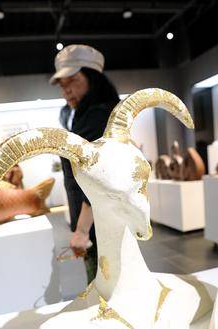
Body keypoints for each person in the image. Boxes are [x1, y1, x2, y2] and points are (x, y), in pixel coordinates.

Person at [49, 44, 120, 283]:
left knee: (105, 286)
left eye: (72, 81)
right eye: (62, 85)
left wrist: (81, 230)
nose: (66, 91)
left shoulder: (97, 116)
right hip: (101, 221)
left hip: (99, 225)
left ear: (93, 78)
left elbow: (98, 177)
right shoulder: (93, 113)